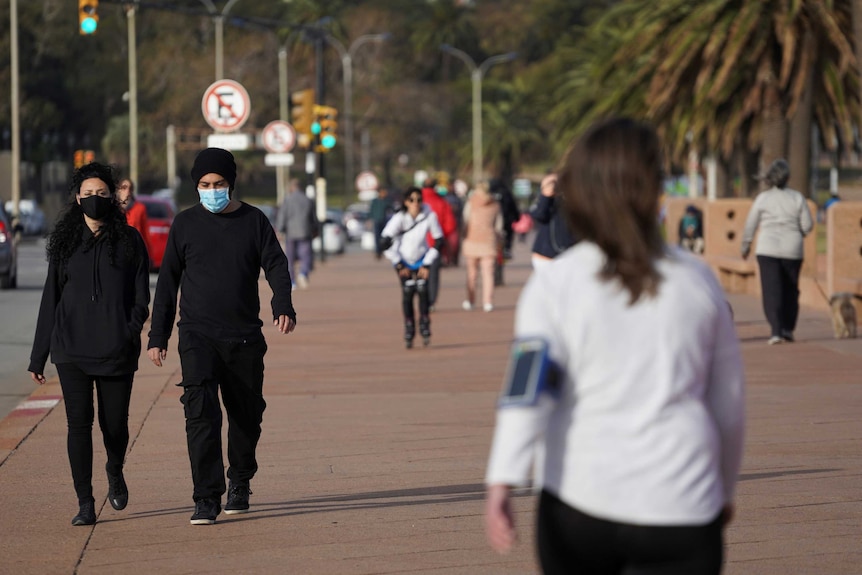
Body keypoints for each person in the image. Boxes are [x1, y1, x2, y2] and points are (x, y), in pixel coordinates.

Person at [485, 118, 745, 574]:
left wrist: (502, 479)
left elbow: (528, 389)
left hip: (579, 498)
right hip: (681, 500)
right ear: (654, 189)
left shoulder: (557, 284)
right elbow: (728, 401)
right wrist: (722, 489)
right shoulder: (697, 280)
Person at [147, 148, 297, 525]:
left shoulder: (254, 221)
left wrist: (283, 304)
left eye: (218, 184)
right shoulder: (184, 224)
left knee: (246, 416)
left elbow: (276, 264)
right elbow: (168, 282)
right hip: (197, 334)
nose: (211, 190)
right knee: (200, 414)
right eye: (204, 185)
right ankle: (205, 497)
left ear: (231, 184)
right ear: (196, 186)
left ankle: (240, 480)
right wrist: (158, 335)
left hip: (244, 336)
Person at [28, 162, 150, 526]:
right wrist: (39, 357)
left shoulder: (129, 241)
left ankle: (115, 469)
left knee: (114, 425)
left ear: (113, 196)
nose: (94, 199)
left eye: (101, 193)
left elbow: (141, 298)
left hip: (117, 351)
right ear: (76, 199)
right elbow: (51, 299)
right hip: (72, 351)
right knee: (77, 425)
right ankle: (84, 501)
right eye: (87, 194)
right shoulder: (65, 243)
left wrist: (128, 331)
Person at [741, 158, 814, 345]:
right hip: (793, 250)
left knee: (771, 290)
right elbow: (807, 226)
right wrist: (796, 231)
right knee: (791, 289)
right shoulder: (797, 198)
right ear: (788, 177)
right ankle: (788, 328)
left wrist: (746, 245)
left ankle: (775, 331)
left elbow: (750, 224)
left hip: (767, 249)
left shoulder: (763, 198)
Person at [380, 186, 444, 348]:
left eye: (419, 200)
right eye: (412, 200)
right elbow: (385, 241)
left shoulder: (429, 215)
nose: (416, 203)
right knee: (408, 291)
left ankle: (424, 322)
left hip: (422, 258)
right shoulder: (399, 218)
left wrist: (428, 263)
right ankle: (409, 326)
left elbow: (438, 240)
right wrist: (398, 263)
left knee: (423, 290)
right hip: (403, 260)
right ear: (405, 202)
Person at [460, 181, 502, 312]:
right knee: (488, 274)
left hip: (472, 240)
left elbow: (465, 221)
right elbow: (499, 225)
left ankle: (470, 300)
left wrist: (463, 234)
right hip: (489, 241)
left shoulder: (471, 202)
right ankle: (488, 302)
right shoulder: (495, 204)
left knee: (471, 274)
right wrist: (499, 239)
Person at [276, 178, 318, 289]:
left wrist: (280, 230)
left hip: (291, 232)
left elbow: (282, 216)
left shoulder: (287, 200)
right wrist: (315, 230)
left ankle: (292, 281)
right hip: (305, 231)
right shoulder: (307, 200)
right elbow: (313, 218)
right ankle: (303, 273)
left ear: (291, 188)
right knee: (306, 255)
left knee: (290, 257)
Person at [530, 172, 577, 270]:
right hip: (544, 256)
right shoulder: (545, 201)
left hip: (569, 255)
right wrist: (545, 196)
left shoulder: (575, 201)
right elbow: (539, 215)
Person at [421, 178, 456, 309]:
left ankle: (422, 300)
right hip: (435, 243)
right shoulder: (442, 202)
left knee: (419, 273)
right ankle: (431, 301)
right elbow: (450, 224)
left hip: (418, 244)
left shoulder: (416, 202)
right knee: (433, 274)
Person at [117, 178, 151, 261]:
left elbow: (145, 231)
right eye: (124, 188)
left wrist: (149, 254)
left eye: (130, 188)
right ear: (118, 190)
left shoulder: (139, 208)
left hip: (135, 249)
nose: (127, 191)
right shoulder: (113, 208)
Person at [490, 179, 520, 260]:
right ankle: (507, 249)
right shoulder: (506, 193)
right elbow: (513, 207)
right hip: (506, 220)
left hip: (492, 222)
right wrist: (517, 218)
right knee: (509, 234)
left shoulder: (489, 193)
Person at [369, 187, 394, 259]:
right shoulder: (375, 201)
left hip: (384, 220)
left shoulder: (386, 201)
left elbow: (391, 208)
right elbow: (371, 211)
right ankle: (378, 252)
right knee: (377, 237)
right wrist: (369, 220)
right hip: (377, 220)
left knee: (384, 236)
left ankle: (384, 250)